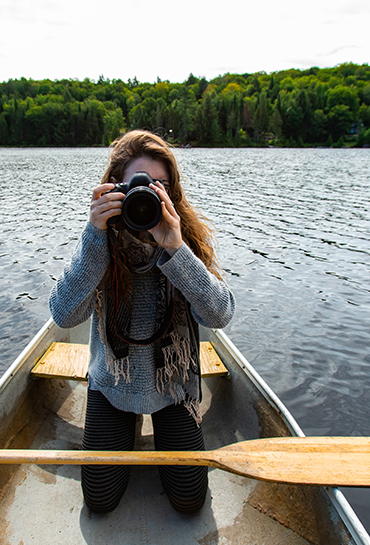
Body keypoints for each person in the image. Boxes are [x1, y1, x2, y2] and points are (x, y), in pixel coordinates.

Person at [49, 130, 234, 514]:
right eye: (138, 184)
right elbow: (64, 315)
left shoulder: (185, 241)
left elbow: (220, 314)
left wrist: (177, 250)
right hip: (113, 384)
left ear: (173, 191)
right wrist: (94, 239)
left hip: (174, 388)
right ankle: (124, 427)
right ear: (114, 188)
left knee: (189, 501)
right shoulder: (99, 242)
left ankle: (141, 430)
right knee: (99, 501)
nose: (148, 194)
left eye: (159, 185)